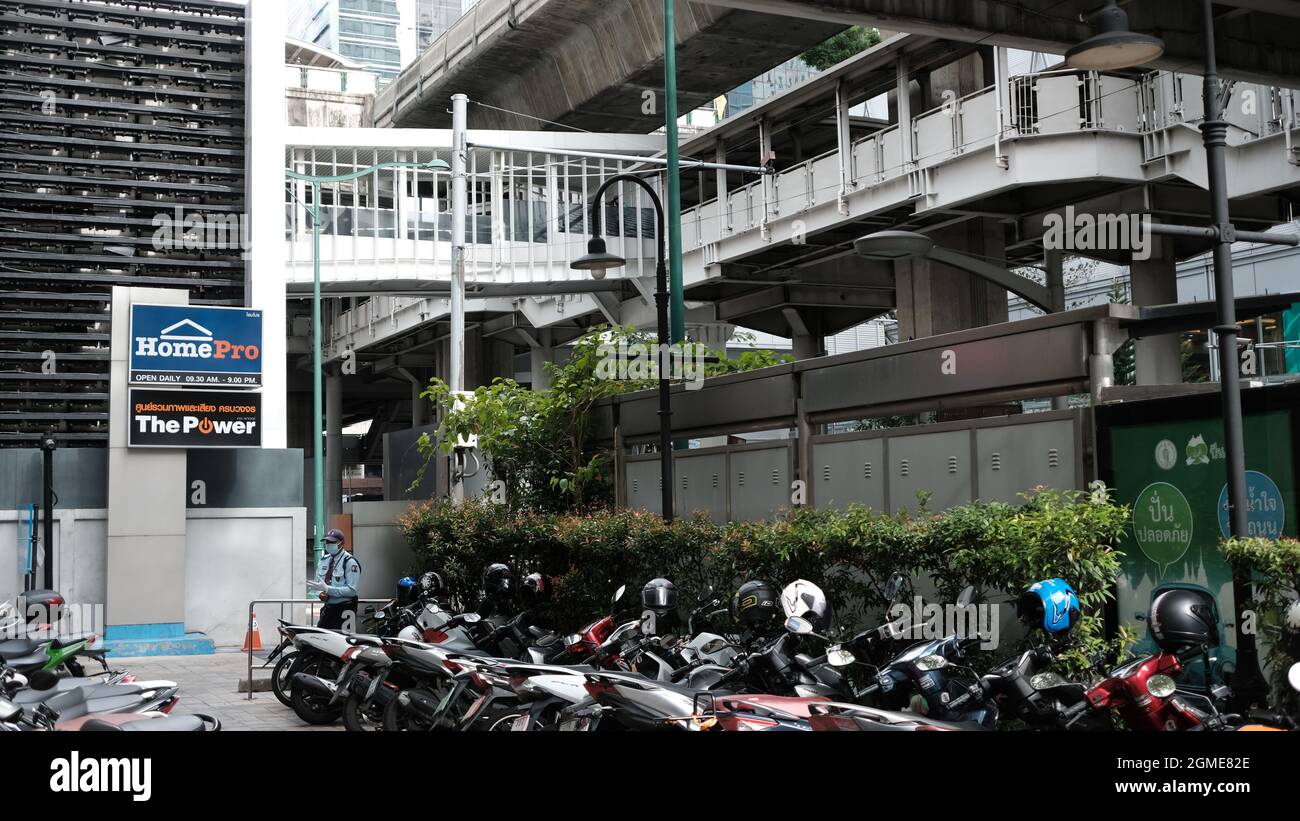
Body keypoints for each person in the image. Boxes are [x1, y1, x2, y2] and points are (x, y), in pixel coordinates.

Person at [314, 529, 361, 631]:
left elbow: (352, 591)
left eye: (332, 542)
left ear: (342, 543)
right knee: (321, 639)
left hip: (345, 609)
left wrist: (328, 589)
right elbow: (318, 584)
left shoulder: (350, 562)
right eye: (327, 542)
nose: (329, 545)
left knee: (343, 642)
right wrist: (320, 593)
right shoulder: (323, 561)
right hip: (328, 608)